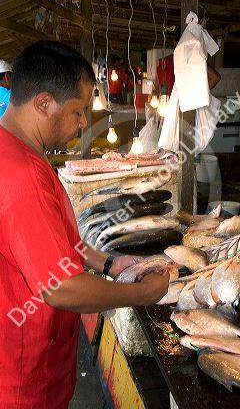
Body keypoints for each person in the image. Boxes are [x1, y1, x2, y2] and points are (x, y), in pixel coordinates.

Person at [0, 41, 169, 408]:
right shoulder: (23, 176)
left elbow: (53, 239)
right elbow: (60, 288)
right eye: (78, 111)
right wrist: (139, 295)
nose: (82, 123)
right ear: (44, 103)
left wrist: (106, 262)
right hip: (23, 380)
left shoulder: (15, 149)